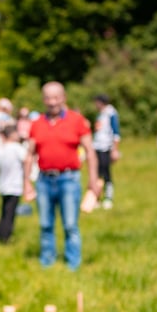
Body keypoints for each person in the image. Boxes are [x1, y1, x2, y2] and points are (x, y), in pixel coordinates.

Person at [23, 81, 101, 270]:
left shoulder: (77, 121)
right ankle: (47, 262)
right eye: (48, 98)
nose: (52, 102)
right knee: (45, 224)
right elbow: (29, 155)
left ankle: (72, 263)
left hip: (69, 179)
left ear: (63, 98)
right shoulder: (36, 123)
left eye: (56, 97)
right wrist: (26, 182)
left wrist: (93, 180)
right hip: (43, 180)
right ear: (43, 100)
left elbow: (89, 151)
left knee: (70, 225)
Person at [0, 124, 26, 243]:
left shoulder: (0, 148)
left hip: (3, 185)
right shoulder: (17, 148)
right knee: (10, 214)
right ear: (12, 134)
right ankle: (5, 237)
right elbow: (26, 160)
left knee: (3, 212)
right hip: (15, 185)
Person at [92, 94, 121, 210]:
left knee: (106, 173)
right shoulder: (101, 114)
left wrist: (115, 150)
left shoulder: (111, 113)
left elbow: (116, 133)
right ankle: (97, 198)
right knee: (97, 173)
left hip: (106, 147)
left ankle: (108, 197)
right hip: (97, 146)